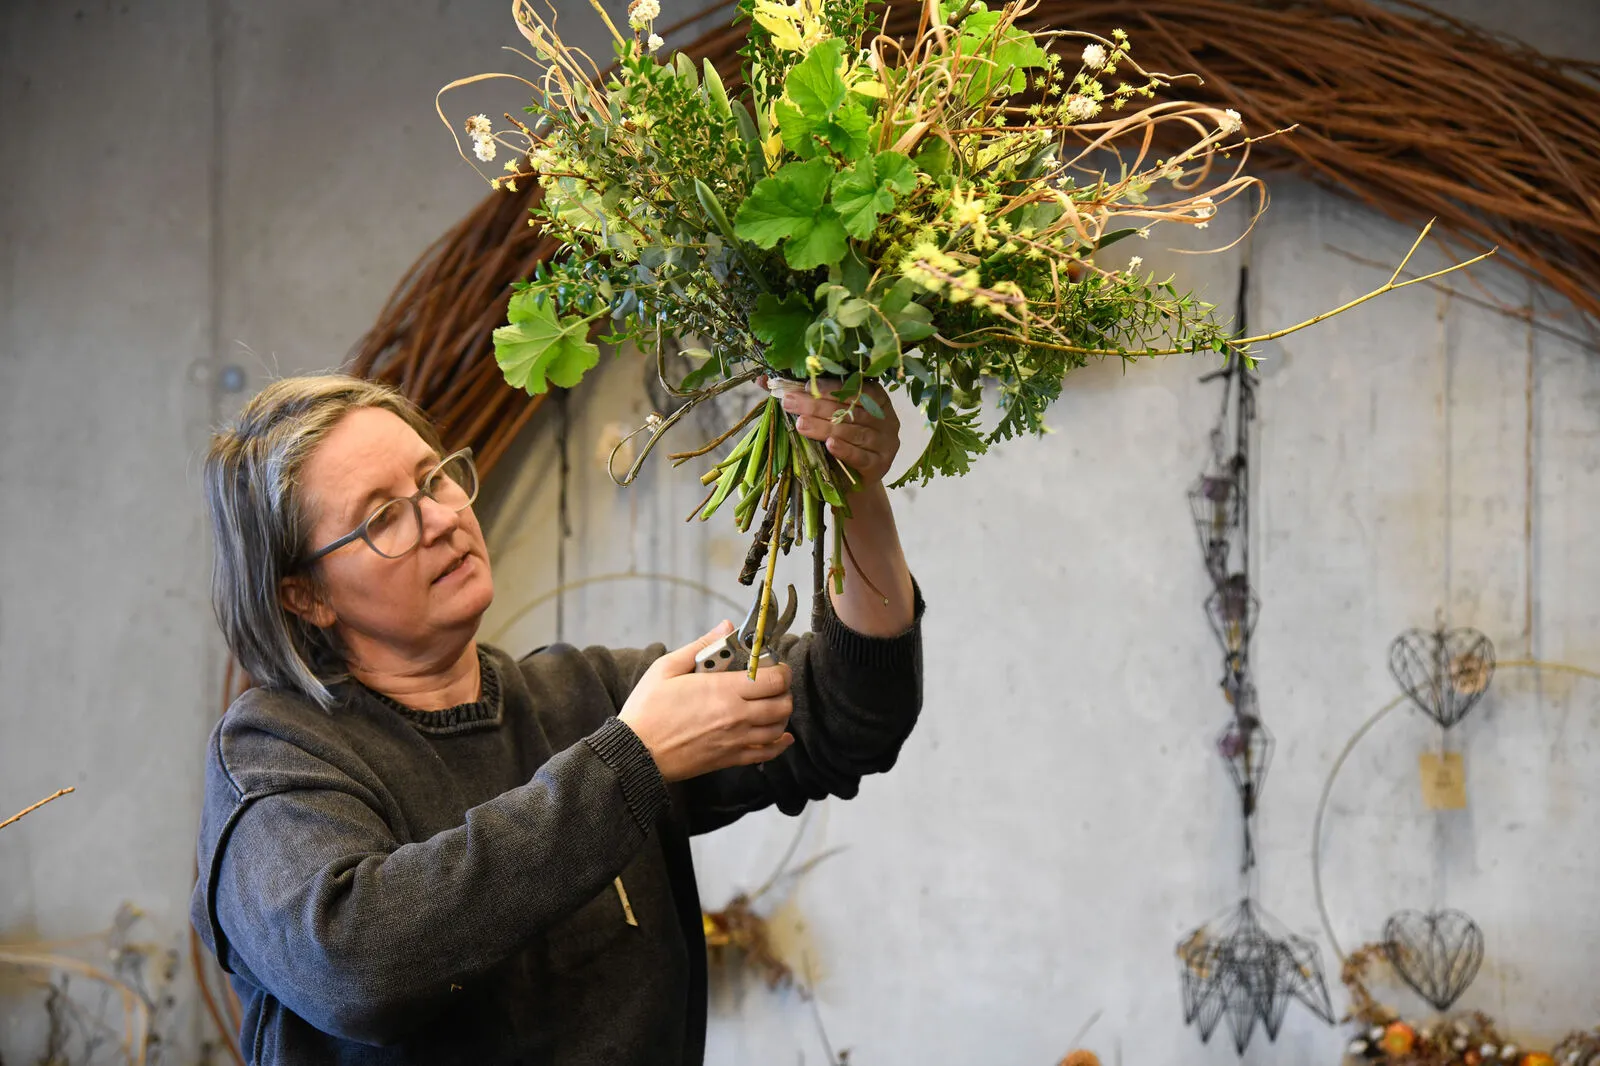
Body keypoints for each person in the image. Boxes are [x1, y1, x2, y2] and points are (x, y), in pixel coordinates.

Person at [190, 373, 924, 1065]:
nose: (443, 519)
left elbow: (851, 710)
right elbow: (354, 966)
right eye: (383, 516)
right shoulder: (275, 753)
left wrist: (852, 487)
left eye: (434, 479)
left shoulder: (586, 695)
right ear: (305, 596)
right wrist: (631, 764)